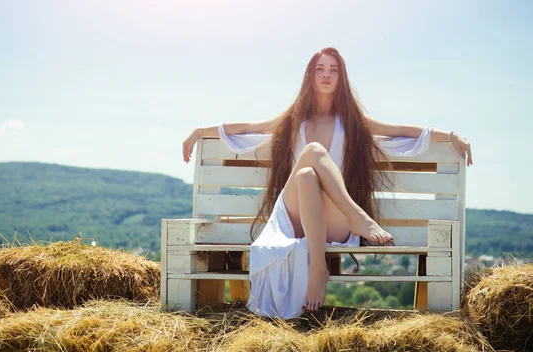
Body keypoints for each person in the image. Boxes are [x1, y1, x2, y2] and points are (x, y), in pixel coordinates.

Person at [182, 47, 473, 315]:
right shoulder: (293, 119)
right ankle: (349, 226)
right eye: (320, 68)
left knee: (308, 173)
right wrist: (198, 131)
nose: (326, 75)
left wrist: (449, 136)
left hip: (331, 216)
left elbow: (398, 130)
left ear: (341, 78)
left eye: (333, 70)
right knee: (311, 157)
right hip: (293, 218)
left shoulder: (351, 122)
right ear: (310, 75)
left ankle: (323, 263)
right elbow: (247, 126)